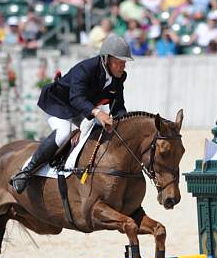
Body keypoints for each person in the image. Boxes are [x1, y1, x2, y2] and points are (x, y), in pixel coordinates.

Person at [9, 34, 132, 194]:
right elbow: (76, 98)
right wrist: (97, 113)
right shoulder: (86, 69)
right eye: (119, 62)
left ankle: (76, 168)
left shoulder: (119, 77)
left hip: (80, 108)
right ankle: (25, 171)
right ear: (107, 59)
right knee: (63, 133)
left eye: (124, 63)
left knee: (95, 131)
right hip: (58, 103)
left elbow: (118, 106)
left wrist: (123, 125)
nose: (123, 67)